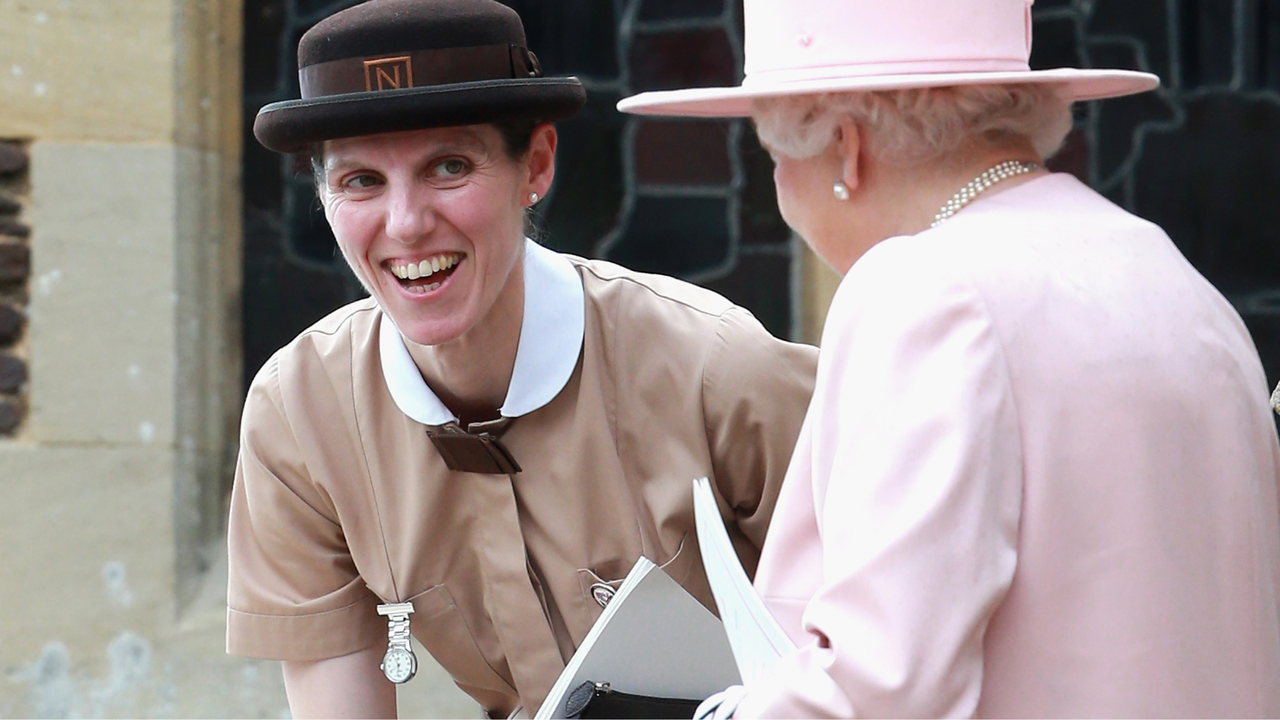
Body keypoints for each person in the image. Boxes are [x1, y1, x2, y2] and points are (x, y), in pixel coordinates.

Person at [619, 0, 1280, 716]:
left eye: (774, 157)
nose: (777, 188)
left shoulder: (924, 289)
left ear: (846, 147)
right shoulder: (1175, 278)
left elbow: (881, 684)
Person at [226, 0, 818, 717]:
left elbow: (894, 647)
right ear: (324, 195)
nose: (406, 224)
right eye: (361, 181)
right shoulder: (298, 418)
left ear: (534, 165)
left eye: (449, 166)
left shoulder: (719, 367)